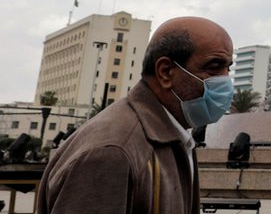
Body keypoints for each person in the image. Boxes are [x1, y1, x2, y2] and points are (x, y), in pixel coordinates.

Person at [38, 17, 234, 214]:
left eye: (228, 68)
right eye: (214, 67)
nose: (225, 80)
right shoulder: (112, 153)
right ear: (165, 72)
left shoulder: (174, 138)